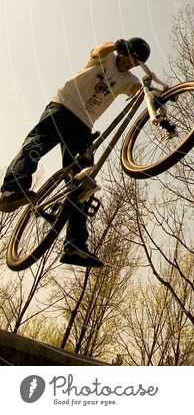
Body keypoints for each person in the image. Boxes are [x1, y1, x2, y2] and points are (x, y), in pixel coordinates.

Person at [0, 38, 150, 267]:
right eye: (130, 57)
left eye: (135, 63)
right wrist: (116, 44)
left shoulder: (128, 79)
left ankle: (75, 245)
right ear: (124, 52)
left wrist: (156, 93)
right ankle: (12, 189)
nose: (130, 64)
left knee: (83, 184)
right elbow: (100, 49)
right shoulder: (105, 58)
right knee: (37, 144)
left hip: (84, 126)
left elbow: (138, 90)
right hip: (63, 107)